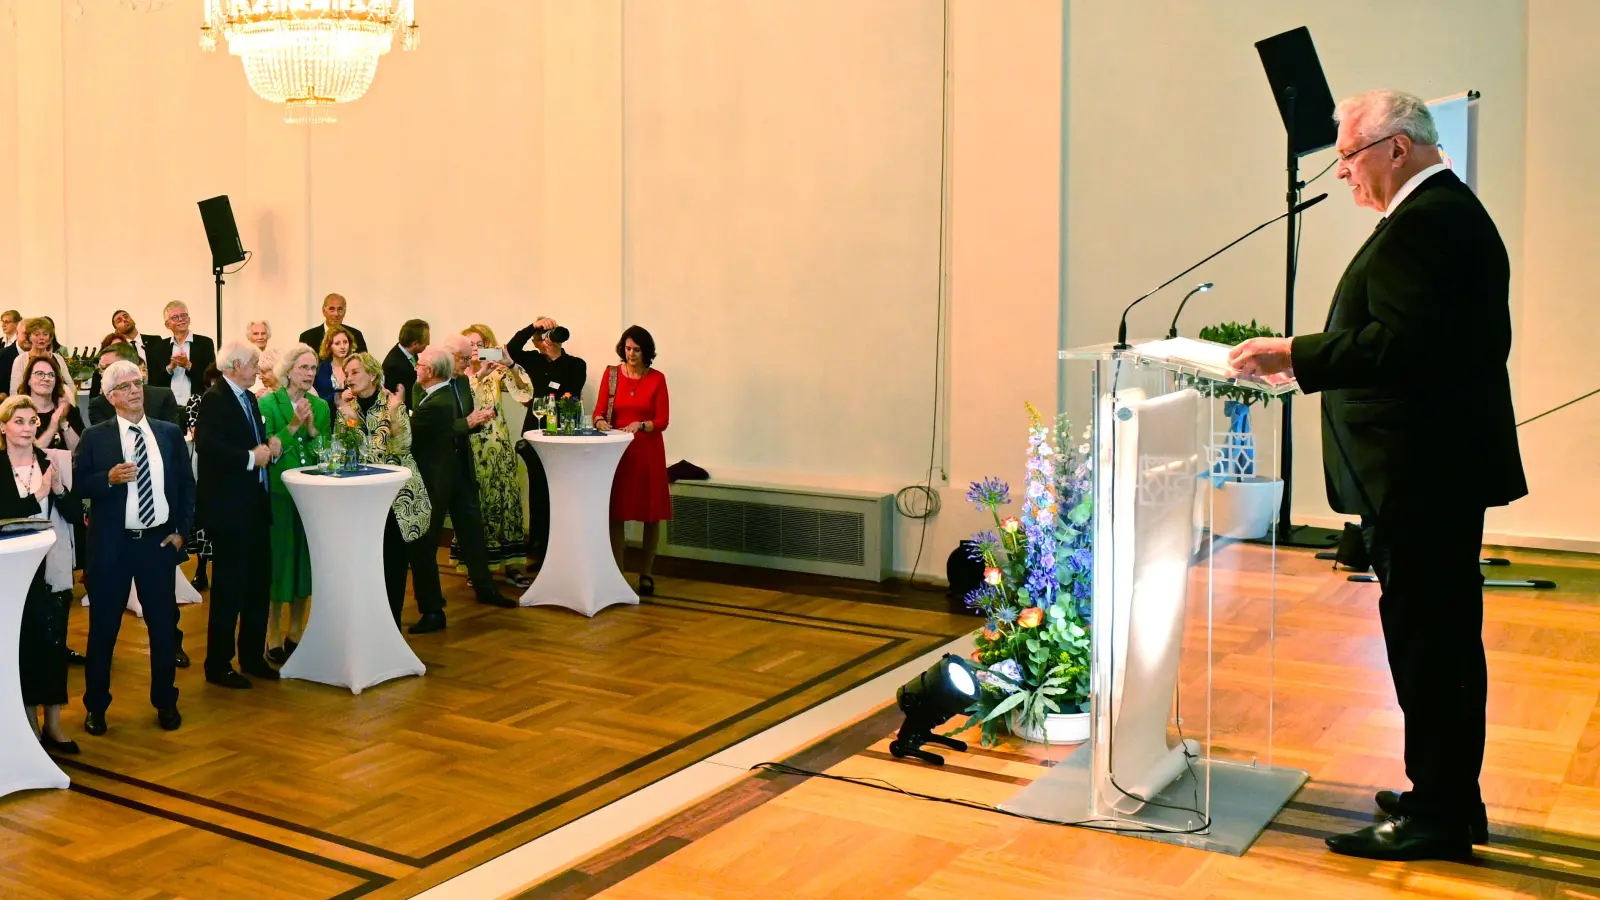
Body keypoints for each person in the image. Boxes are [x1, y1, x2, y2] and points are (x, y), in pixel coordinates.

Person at [1229, 90, 1525, 862]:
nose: (1345, 177)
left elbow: (1401, 346)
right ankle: (1449, 795)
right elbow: (1407, 339)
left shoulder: (1428, 223)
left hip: (1422, 474)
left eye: (1351, 159)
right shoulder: (1439, 216)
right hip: (1428, 471)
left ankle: (1441, 815)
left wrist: (1296, 354)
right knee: (1438, 641)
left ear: (1396, 147)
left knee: (1432, 644)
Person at [74, 360, 192, 735]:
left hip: (157, 543)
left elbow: (187, 487)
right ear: (110, 397)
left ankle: (166, 702)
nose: (134, 390)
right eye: (124, 386)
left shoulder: (169, 433)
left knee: (162, 627)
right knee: (103, 630)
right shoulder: (96, 437)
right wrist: (107, 479)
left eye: (137, 382)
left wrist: (181, 531)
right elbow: (78, 488)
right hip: (112, 546)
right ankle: (96, 706)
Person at [193, 342, 280, 688]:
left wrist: (268, 447)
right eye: (254, 362)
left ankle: (252, 656)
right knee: (230, 589)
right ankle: (218, 664)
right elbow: (209, 448)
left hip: (255, 505)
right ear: (235, 365)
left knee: (259, 584)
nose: (258, 368)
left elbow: (253, 442)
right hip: (230, 510)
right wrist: (249, 458)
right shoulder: (215, 399)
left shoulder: (249, 398)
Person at [411, 346, 515, 622]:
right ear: (448, 358)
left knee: (472, 529)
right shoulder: (422, 386)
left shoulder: (463, 383)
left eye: (469, 357)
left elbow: (462, 420)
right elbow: (431, 429)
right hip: (436, 472)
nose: (467, 362)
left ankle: (485, 587)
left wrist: (479, 421)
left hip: (462, 468)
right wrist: (466, 423)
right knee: (428, 537)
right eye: (462, 358)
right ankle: (432, 606)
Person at [339, 352, 442, 627]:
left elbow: (398, 449)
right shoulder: (347, 408)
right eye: (346, 373)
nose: (348, 379)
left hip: (400, 498)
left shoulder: (391, 403)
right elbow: (347, 453)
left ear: (372, 375)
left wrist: (394, 415)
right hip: (364, 498)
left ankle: (392, 627)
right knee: (368, 564)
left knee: (395, 564)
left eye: (355, 372)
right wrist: (348, 419)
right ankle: (370, 626)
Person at [1, 396, 78, 753]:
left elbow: (76, 513)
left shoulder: (50, 460)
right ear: (3, 426)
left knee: (53, 644)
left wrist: (59, 491)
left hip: (50, 566)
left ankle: (55, 724)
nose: (27, 428)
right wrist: (39, 495)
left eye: (32, 421)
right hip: (12, 570)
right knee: (23, 647)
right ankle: (28, 724)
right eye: (19, 421)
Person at [260, 345, 329, 663]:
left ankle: (297, 632)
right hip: (279, 494)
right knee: (278, 563)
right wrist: (294, 427)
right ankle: (272, 634)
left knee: (304, 563)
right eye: (303, 367)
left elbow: (326, 452)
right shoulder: (268, 403)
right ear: (288, 371)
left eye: (313, 368)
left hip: (311, 496)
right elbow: (269, 450)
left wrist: (312, 428)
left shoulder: (321, 405)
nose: (309, 374)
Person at [594, 326, 671, 595]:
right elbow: (598, 411)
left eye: (637, 350)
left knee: (651, 515)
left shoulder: (657, 379)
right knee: (617, 513)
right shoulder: (612, 374)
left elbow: (663, 421)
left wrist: (642, 424)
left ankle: (646, 573)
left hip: (648, 453)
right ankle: (617, 570)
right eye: (628, 348)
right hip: (619, 454)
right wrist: (601, 421)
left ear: (646, 352)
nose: (631, 354)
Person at [507, 317, 586, 573]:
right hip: (535, 434)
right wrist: (533, 325)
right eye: (538, 337)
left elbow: (573, 392)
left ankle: (561, 546)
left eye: (545, 336)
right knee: (538, 491)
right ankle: (539, 546)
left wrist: (553, 351)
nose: (541, 341)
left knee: (560, 492)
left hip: (562, 435)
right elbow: (511, 349)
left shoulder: (575, 364)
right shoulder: (533, 360)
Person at [453, 325, 531, 583]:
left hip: (499, 446)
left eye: (480, 343)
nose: (475, 349)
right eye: (471, 344)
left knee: (506, 502)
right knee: (479, 505)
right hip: (473, 447)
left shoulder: (498, 372)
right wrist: (479, 376)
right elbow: (463, 405)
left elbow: (525, 393)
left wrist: (511, 365)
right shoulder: (458, 375)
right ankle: (478, 566)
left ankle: (511, 564)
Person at [185, 364, 222, 592]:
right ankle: (201, 567)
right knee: (203, 515)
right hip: (204, 463)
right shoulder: (197, 401)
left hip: (229, 466)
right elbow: (197, 433)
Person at [88, 343, 182, 428]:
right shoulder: (98, 405)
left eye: (109, 367)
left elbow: (172, 439)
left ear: (131, 366)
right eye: (101, 369)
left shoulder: (162, 397)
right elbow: (104, 442)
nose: (104, 373)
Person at [145, 301, 217, 408]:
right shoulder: (158, 347)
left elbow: (211, 378)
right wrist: (170, 368)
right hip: (168, 406)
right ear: (167, 324)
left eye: (183, 315)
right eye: (175, 317)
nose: (181, 319)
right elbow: (154, 382)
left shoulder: (205, 343)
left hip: (197, 405)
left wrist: (188, 365)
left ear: (189, 319)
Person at [25, 356, 83, 454]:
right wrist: (53, 426)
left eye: (51, 375)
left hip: (66, 468)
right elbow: (28, 454)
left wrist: (63, 422)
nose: (46, 378)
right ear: (28, 380)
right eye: (39, 374)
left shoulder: (68, 410)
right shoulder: (19, 412)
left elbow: (80, 453)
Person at [7, 318, 71, 395]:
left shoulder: (58, 359)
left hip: (56, 404)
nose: (41, 338)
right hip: (28, 404)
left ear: (50, 339)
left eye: (45, 334)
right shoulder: (20, 360)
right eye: (37, 334)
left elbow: (70, 386)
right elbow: (14, 392)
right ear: (29, 338)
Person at [383, 318, 430, 412]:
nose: (428, 343)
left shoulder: (411, 354)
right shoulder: (394, 365)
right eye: (426, 340)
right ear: (415, 344)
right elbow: (403, 399)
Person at [298, 292, 367, 354]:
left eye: (340, 309)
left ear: (344, 312)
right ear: (324, 311)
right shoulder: (307, 337)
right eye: (332, 309)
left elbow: (365, 365)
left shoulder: (356, 335)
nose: (336, 314)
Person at [312, 324, 356, 408]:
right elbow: (317, 400)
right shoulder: (320, 370)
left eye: (345, 342)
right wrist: (339, 397)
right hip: (328, 417)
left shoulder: (357, 367)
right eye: (337, 343)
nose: (343, 347)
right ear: (329, 346)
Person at [246, 320, 281, 397]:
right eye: (256, 334)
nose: (260, 337)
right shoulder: (244, 359)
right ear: (249, 337)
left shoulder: (276, 356)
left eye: (263, 333)